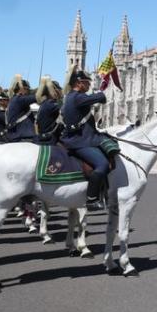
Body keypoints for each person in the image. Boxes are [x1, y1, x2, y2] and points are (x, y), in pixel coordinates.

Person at [61, 68, 120, 211]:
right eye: (87, 83)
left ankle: (104, 191)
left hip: (84, 138)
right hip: (81, 141)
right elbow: (101, 98)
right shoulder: (77, 97)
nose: (88, 86)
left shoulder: (70, 97)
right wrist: (102, 90)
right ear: (79, 83)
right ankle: (92, 199)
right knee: (102, 165)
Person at [4, 75, 37, 143]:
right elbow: (37, 98)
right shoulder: (20, 99)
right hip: (23, 138)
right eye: (27, 89)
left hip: (14, 137)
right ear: (22, 89)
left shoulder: (13, 99)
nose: (29, 92)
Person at [35, 76, 63, 145]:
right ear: (54, 91)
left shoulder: (45, 103)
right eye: (58, 89)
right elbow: (65, 109)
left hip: (43, 138)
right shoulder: (51, 104)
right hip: (50, 141)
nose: (60, 91)